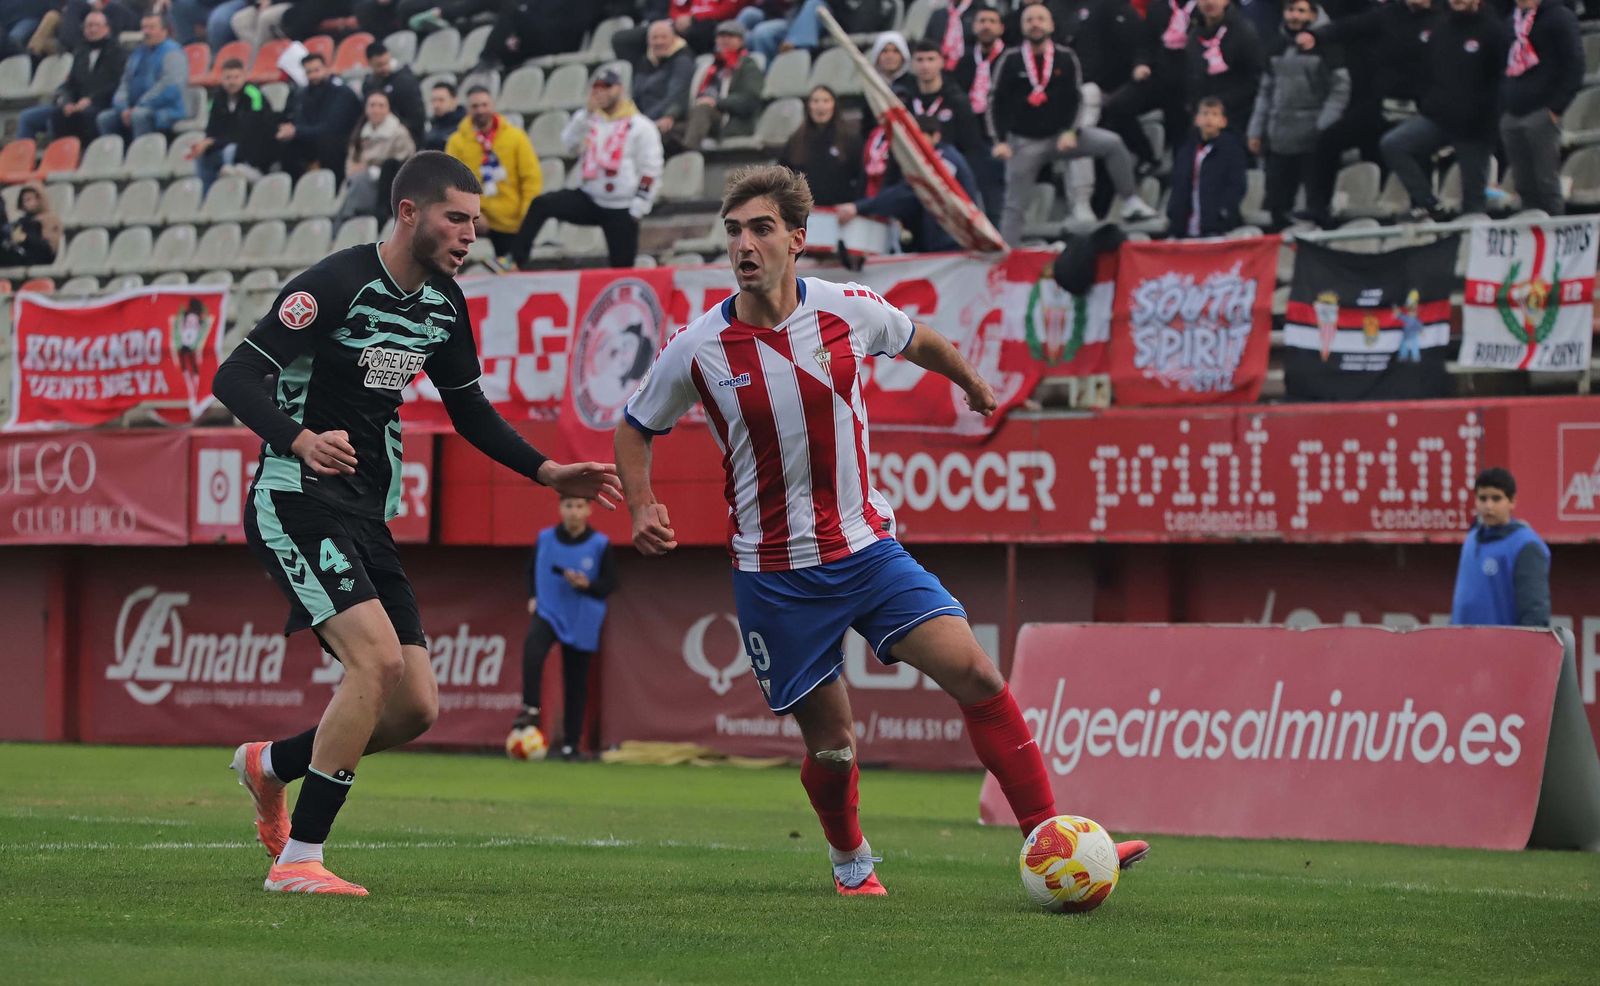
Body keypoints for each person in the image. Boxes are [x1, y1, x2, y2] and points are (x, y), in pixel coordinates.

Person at [616, 163, 1149, 896]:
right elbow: (635, 425)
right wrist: (642, 504)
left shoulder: (845, 309)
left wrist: (967, 381)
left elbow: (917, 338)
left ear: (797, 240)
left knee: (978, 675)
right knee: (834, 750)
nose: (744, 243)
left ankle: (1056, 841)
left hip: (869, 551)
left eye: (761, 228)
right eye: (734, 230)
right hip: (777, 576)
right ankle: (850, 861)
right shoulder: (697, 348)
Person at [212, 150, 623, 896]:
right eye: (457, 218)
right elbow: (233, 376)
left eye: (475, 220)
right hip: (293, 496)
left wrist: (546, 471)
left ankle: (269, 765)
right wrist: (300, 440)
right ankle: (299, 861)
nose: (471, 234)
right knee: (375, 665)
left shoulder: (444, 303)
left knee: (414, 708)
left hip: (366, 511)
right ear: (410, 213)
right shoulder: (333, 284)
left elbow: (468, 409)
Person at [989, 3, 1156, 245]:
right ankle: (1006, 260)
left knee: (1112, 144)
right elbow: (996, 102)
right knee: (1014, 207)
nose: (1035, 24)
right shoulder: (1011, 60)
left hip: (1061, 136)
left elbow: (1076, 101)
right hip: (1025, 143)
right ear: (1022, 27)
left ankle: (1129, 201)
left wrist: (1071, 131)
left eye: (1040, 19)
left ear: (1052, 25)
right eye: (1030, 20)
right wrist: (1000, 141)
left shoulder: (1066, 58)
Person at [507, 67, 663, 270]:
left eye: (607, 86)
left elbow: (651, 168)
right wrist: (585, 115)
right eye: (596, 87)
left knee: (622, 267)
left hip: (622, 206)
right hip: (590, 197)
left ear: (620, 89)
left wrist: (638, 207)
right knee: (542, 204)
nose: (601, 92)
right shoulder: (591, 120)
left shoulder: (641, 125)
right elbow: (569, 145)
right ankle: (515, 260)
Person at [1380, 0, 1509, 219]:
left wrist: (1487, 115)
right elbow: (1426, 72)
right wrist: (1428, 103)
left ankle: (1471, 243)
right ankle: (1430, 204)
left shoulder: (1494, 30)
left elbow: (1502, 79)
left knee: (1473, 200)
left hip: (1475, 126)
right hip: (1438, 118)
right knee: (1393, 144)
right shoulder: (1440, 29)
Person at [515, 496, 618, 761]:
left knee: (576, 682)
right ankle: (530, 707)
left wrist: (588, 585)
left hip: (582, 616)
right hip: (549, 610)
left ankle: (572, 744)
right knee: (533, 651)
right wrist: (533, 596)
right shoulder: (545, 538)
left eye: (579, 506)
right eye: (569, 506)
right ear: (561, 509)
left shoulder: (600, 544)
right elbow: (530, 571)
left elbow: (609, 583)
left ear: (589, 510)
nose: (574, 512)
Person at [1247, 0, 1349, 229]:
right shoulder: (1275, 47)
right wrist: (1256, 129)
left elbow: (1340, 89)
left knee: (1316, 207)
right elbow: (1265, 93)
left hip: (1315, 137)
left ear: (1313, 14)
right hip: (1279, 136)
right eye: (1290, 10)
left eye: (1301, 11)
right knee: (1276, 206)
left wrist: (1323, 124)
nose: (1294, 16)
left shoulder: (1328, 46)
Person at [836, 115, 981, 252]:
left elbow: (909, 191)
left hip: (953, 244)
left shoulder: (944, 162)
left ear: (935, 136)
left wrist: (859, 207)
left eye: (918, 138)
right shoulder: (927, 160)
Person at [1500, 0, 1584, 216]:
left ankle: (1555, 237)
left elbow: (1574, 64)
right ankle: (1532, 237)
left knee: (1546, 182)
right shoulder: (1512, 21)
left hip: (1542, 112)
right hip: (1513, 113)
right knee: (1523, 185)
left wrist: (1556, 108)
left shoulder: (1558, 16)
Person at [444, 86, 541, 257]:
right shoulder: (457, 142)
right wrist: (471, 216)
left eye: (484, 105)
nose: (480, 110)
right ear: (468, 109)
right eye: (475, 106)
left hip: (511, 224)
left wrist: (526, 219)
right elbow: (451, 183)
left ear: (493, 106)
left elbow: (531, 179)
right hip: (474, 221)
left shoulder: (516, 137)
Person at [1451, 468, 1550, 627]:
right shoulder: (1471, 539)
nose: (1488, 506)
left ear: (1512, 501)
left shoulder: (1526, 545)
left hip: (1502, 648)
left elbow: (1534, 613)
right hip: (1463, 646)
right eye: (1482, 498)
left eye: (1496, 499)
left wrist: (1526, 650)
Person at [17, 9, 125, 145]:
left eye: (96, 25)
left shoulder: (118, 53)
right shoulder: (80, 52)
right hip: (74, 104)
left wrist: (90, 100)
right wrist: (67, 101)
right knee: (28, 117)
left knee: (76, 117)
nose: (92, 29)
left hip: (101, 104)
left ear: (107, 28)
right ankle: (22, 158)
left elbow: (116, 83)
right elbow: (70, 84)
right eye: (88, 26)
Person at [952, 5, 1007, 225]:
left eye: (992, 21)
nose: (986, 26)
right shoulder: (964, 62)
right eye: (982, 21)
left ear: (1001, 28)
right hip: (971, 137)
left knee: (996, 196)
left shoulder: (1010, 58)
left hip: (1001, 136)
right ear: (973, 27)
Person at [894, 40, 986, 170]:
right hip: (913, 169)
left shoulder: (957, 101)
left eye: (931, 59)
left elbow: (972, 146)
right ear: (912, 64)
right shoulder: (905, 101)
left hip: (950, 171)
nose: (925, 66)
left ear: (941, 62)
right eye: (920, 60)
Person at [277, 52, 365, 184]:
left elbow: (332, 127)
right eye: (309, 72)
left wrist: (297, 131)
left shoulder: (341, 93)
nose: (313, 76)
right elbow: (297, 120)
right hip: (312, 141)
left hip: (341, 143)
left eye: (316, 70)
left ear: (326, 68)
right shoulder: (302, 94)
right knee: (287, 146)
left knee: (328, 143)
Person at [96, 12, 186, 140]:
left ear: (164, 31)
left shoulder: (173, 53)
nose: (146, 32)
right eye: (144, 27)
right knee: (105, 118)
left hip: (165, 109)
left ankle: (141, 156)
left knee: (139, 115)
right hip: (134, 108)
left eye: (151, 28)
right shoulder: (138, 52)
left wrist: (141, 104)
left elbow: (171, 86)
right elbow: (125, 82)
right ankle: (114, 156)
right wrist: (123, 107)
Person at [1167, 96, 1247, 237]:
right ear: (1197, 120)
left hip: (1216, 226)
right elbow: (1177, 185)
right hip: (1184, 227)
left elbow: (1237, 185)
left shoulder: (1232, 150)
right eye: (1204, 113)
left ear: (1223, 122)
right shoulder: (1186, 151)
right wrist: (1173, 211)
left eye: (1214, 114)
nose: (1209, 118)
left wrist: (1223, 212)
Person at [678, 20, 763, 153]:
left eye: (730, 36)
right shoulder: (709, 66)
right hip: (698, 118)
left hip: (730, 121)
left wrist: (716, 102)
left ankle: (687, 160)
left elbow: (751, 100)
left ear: (741, 41)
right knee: (668, 130)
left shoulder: (748, 66)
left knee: (703, 109)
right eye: (721, 36)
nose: (725, 40)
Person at [191, 58, 276, 189]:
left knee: (229, 151)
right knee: (202, 155)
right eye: (228, 78)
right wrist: (206, 142)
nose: (232, 82)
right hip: (225, 142)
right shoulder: (217, 98)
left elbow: (248, 130)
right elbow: (213, 127)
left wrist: (213, 142)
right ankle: (206, 196)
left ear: (244, 76)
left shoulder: (254, 95)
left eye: (236, 77)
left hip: (252, 147)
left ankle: (235, 187)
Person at [337, 91, 417, 224]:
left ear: (388, 109)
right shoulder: (359, 134)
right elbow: (351, 164)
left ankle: (348, 220)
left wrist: (368, 167)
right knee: (355, 181)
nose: (376, 110)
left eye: (381, 105)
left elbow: (403, 164)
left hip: (386, 185)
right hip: (358, 181)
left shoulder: (399, 133)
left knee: (360, 180)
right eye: (372, 105)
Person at [1185, 0, 1265, 132]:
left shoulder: (1243, 31)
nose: (1209, 2)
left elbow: (1254, 78)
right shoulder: (1194, 34)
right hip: (1202, 117)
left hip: (1236, 117)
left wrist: (1221, 104)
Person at [778, 86, 864, 207]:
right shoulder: (795, 140)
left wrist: (855, 205)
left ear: (834, 105)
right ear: (808, 106)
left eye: (826, 101)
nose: (820, 106)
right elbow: (784, 176)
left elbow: (861, 178)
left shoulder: (850, 140)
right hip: (805, 213)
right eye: (816, 101)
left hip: (841, 214)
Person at [633, 19, 696, 144]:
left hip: (666, 119)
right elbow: (636, 95)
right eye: (654, 38)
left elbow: (676, 95)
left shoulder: (682, 60)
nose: (659, 42)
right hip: (643, 121)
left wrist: (645, 120)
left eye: (663, 37)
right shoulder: (644, 61)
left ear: (673, 38)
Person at [362, 41, 426, 145]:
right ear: (369, 63)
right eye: (379, 65)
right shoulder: (368, 85)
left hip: (402, 140)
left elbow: (416, 120)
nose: (385, 68)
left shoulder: (405, 82)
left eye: (387, 62)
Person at [0, 183, 62, 268]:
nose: (25, 204)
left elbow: (48, 250)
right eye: (24, 200)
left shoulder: (49, 220)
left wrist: (25, 239)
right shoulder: (22, 221)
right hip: (20, 254)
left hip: (37, 258)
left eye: (29, 200)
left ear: (39, 199)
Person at [423, 81, 465, 152]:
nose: (436, 105)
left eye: (441, 100)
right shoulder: (429, 126)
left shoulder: (465, 125)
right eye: (433, 100)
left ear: (454, 100)